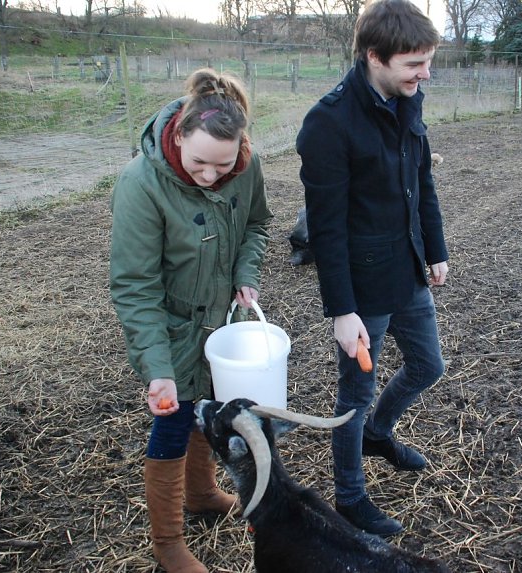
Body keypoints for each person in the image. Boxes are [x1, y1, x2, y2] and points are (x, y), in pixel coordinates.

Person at [109, 68, 272, 572]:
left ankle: (202, 495)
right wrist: (156, 366)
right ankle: (169, 545)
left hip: (221, 324)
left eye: (222, 166)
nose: (210, 175)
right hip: (173, 328)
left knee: (210, 410)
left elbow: (256, 225)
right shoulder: (141, 184)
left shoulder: (245, 166)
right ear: (178, 133)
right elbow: (135, 286)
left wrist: (245, 272)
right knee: (174, 420)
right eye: (199, 162)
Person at [295, 0, 448, 538]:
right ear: (374, 56)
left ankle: (379, 434)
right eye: (414, 64)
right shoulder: (329, 123)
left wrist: (435, 248)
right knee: (354, 396)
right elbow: (326, 229)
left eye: (428, 61)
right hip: (362, 286)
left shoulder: (409, 100)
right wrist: (342, 310)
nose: (425, 74)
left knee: (430, 366)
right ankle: (350, 498)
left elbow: (420, 182)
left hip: (406, 269)